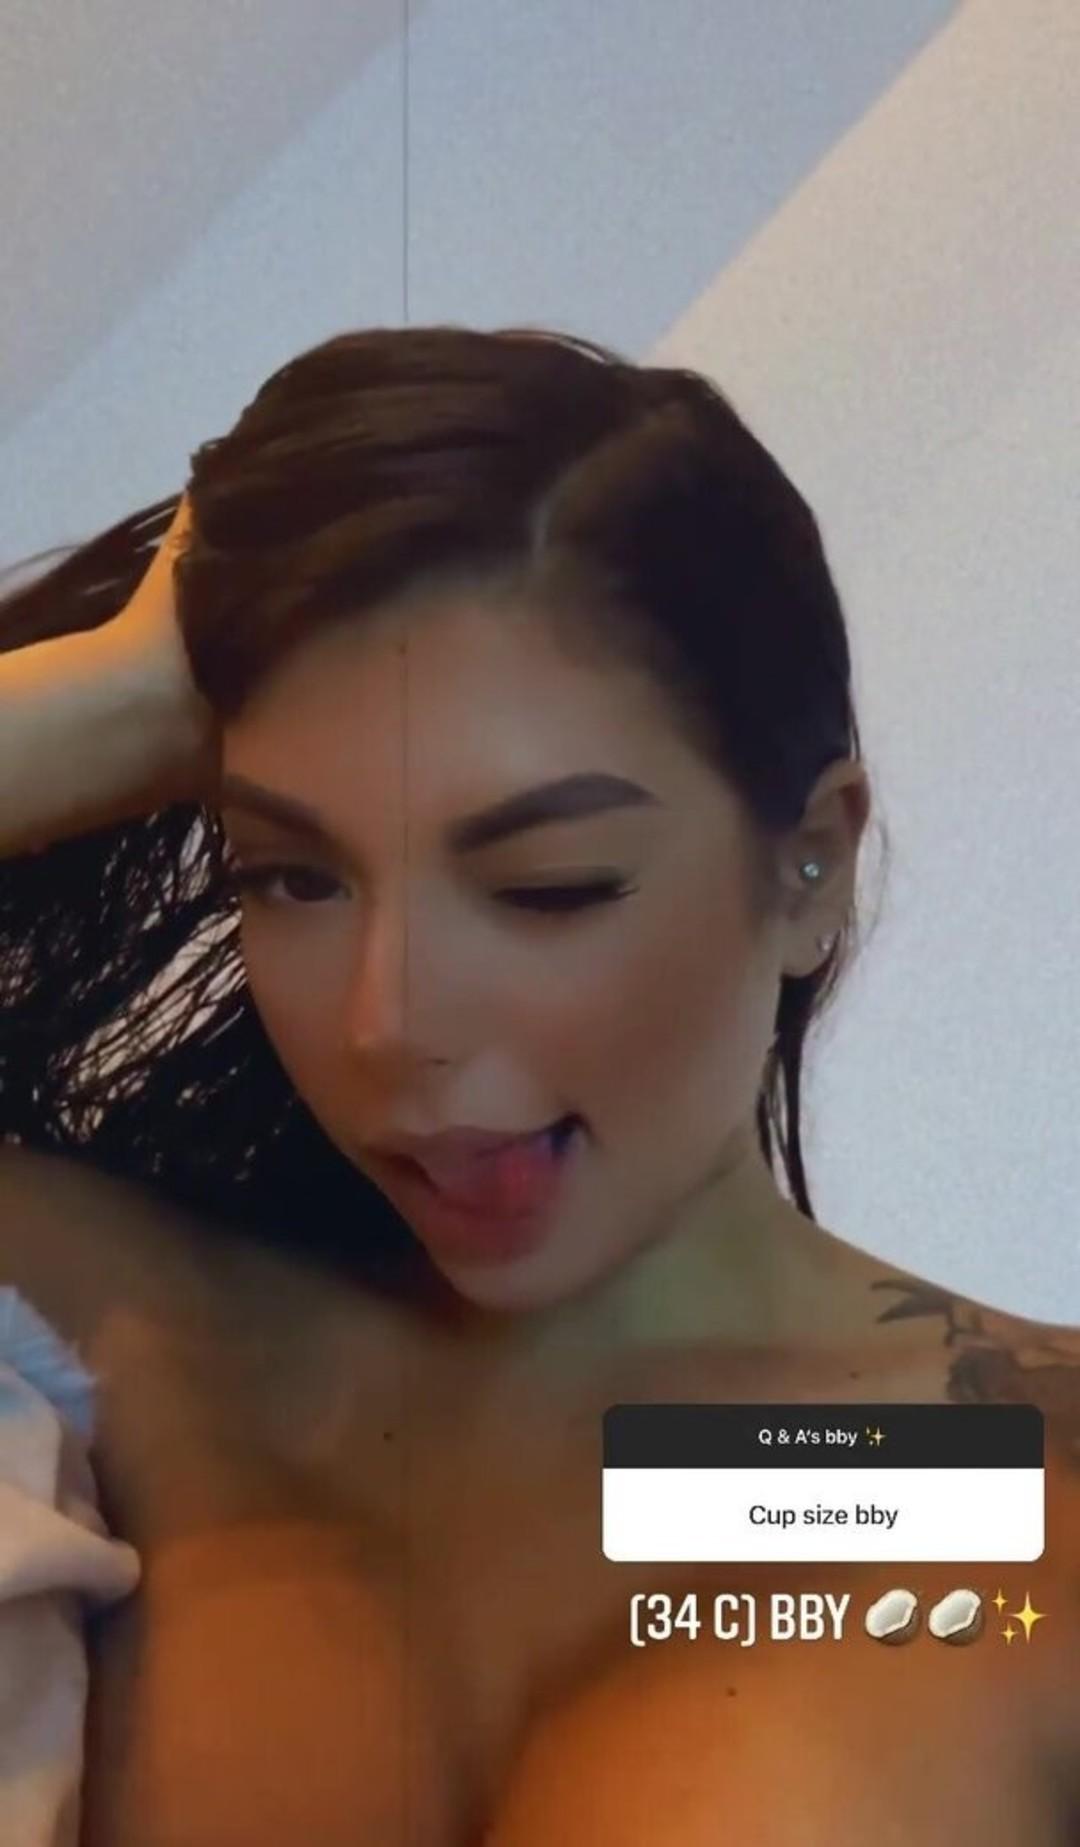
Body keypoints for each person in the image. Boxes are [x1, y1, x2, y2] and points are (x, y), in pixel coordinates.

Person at [0, 324, 1077, 1845]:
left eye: (550, 886)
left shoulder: (1004, 1483)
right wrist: (117, 697)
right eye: (293, 875)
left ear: (810, 864)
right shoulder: (143, 1341)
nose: (390, 1021)